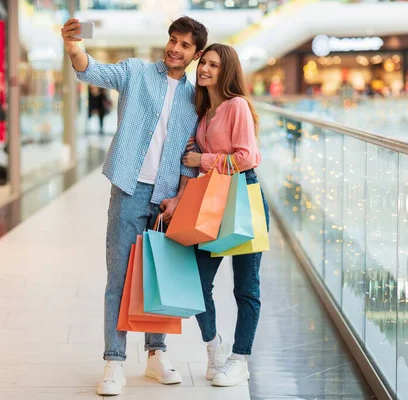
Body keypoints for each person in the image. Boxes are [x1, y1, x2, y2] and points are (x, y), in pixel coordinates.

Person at [61, 16, 208, 396]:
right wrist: (75, 47)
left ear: (196, 54)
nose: (175, 48)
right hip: (129, 188)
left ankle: (157, 353)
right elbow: (92, 70)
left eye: (185, 45)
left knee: (158, 275)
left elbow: (194, 151)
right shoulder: (136, 72)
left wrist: (180, 196)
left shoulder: (197, 98)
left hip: (167, 198)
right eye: (173, 40)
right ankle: (114, 361)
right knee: (120, 277)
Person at [182, 43, 270, 388]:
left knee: (246, 287)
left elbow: (247, 157)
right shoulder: (205, 114)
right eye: (203, 63)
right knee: (198, 283)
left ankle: (241, 358)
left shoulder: (237, 107)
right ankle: (213, 348)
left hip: (243, 195)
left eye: (214, 65)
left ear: (227, 71)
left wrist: (201, 160)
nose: (205, 69)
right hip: (213, 198)